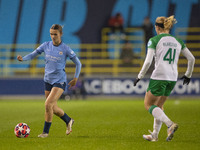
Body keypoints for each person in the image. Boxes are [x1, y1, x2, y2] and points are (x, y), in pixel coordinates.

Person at [133, 15, 195, 142]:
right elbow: (192, 59)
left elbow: (148, 61)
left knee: (148, 104)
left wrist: (140, 75)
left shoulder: (154, 40)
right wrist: (188, 75)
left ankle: (169, 124)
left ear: (157, 27)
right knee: (159, 105)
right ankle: (155, 135)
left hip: (159, 75)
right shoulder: (178, 40)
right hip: (172, 77)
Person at [17, 24, 82, 138]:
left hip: (60, 81)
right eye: (51, 34)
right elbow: (33, 55)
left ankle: (45, 133)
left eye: (55, 34)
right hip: (48, 80)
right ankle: (68, 120)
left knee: (48, 104)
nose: (53, 36)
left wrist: (75, 78)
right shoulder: (46, 45)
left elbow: (78, 63)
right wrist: (23, 58)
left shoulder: (65, 48)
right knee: (52, 107)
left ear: (61, 34)